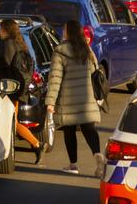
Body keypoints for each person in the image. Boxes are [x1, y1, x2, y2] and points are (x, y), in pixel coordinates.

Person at [45, 20, 103, 176]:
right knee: (89, 129)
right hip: (86, 98)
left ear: (68, 32)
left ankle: (74, 165)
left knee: (69, 131)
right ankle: (98, 157)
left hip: (67, 99)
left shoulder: (60, 51)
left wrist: (50, 102)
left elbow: (55, 78)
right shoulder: (86, 50)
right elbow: (94, 70)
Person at [0, 20, 45, 164]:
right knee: (13, 121)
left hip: (9, 87)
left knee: (13, 122)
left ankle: (36, 144)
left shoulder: (9, 42)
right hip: (18, 86)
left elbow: (7, 62)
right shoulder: (20, 43)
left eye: (0, 29)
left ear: (6, 30)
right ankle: (36, 145)